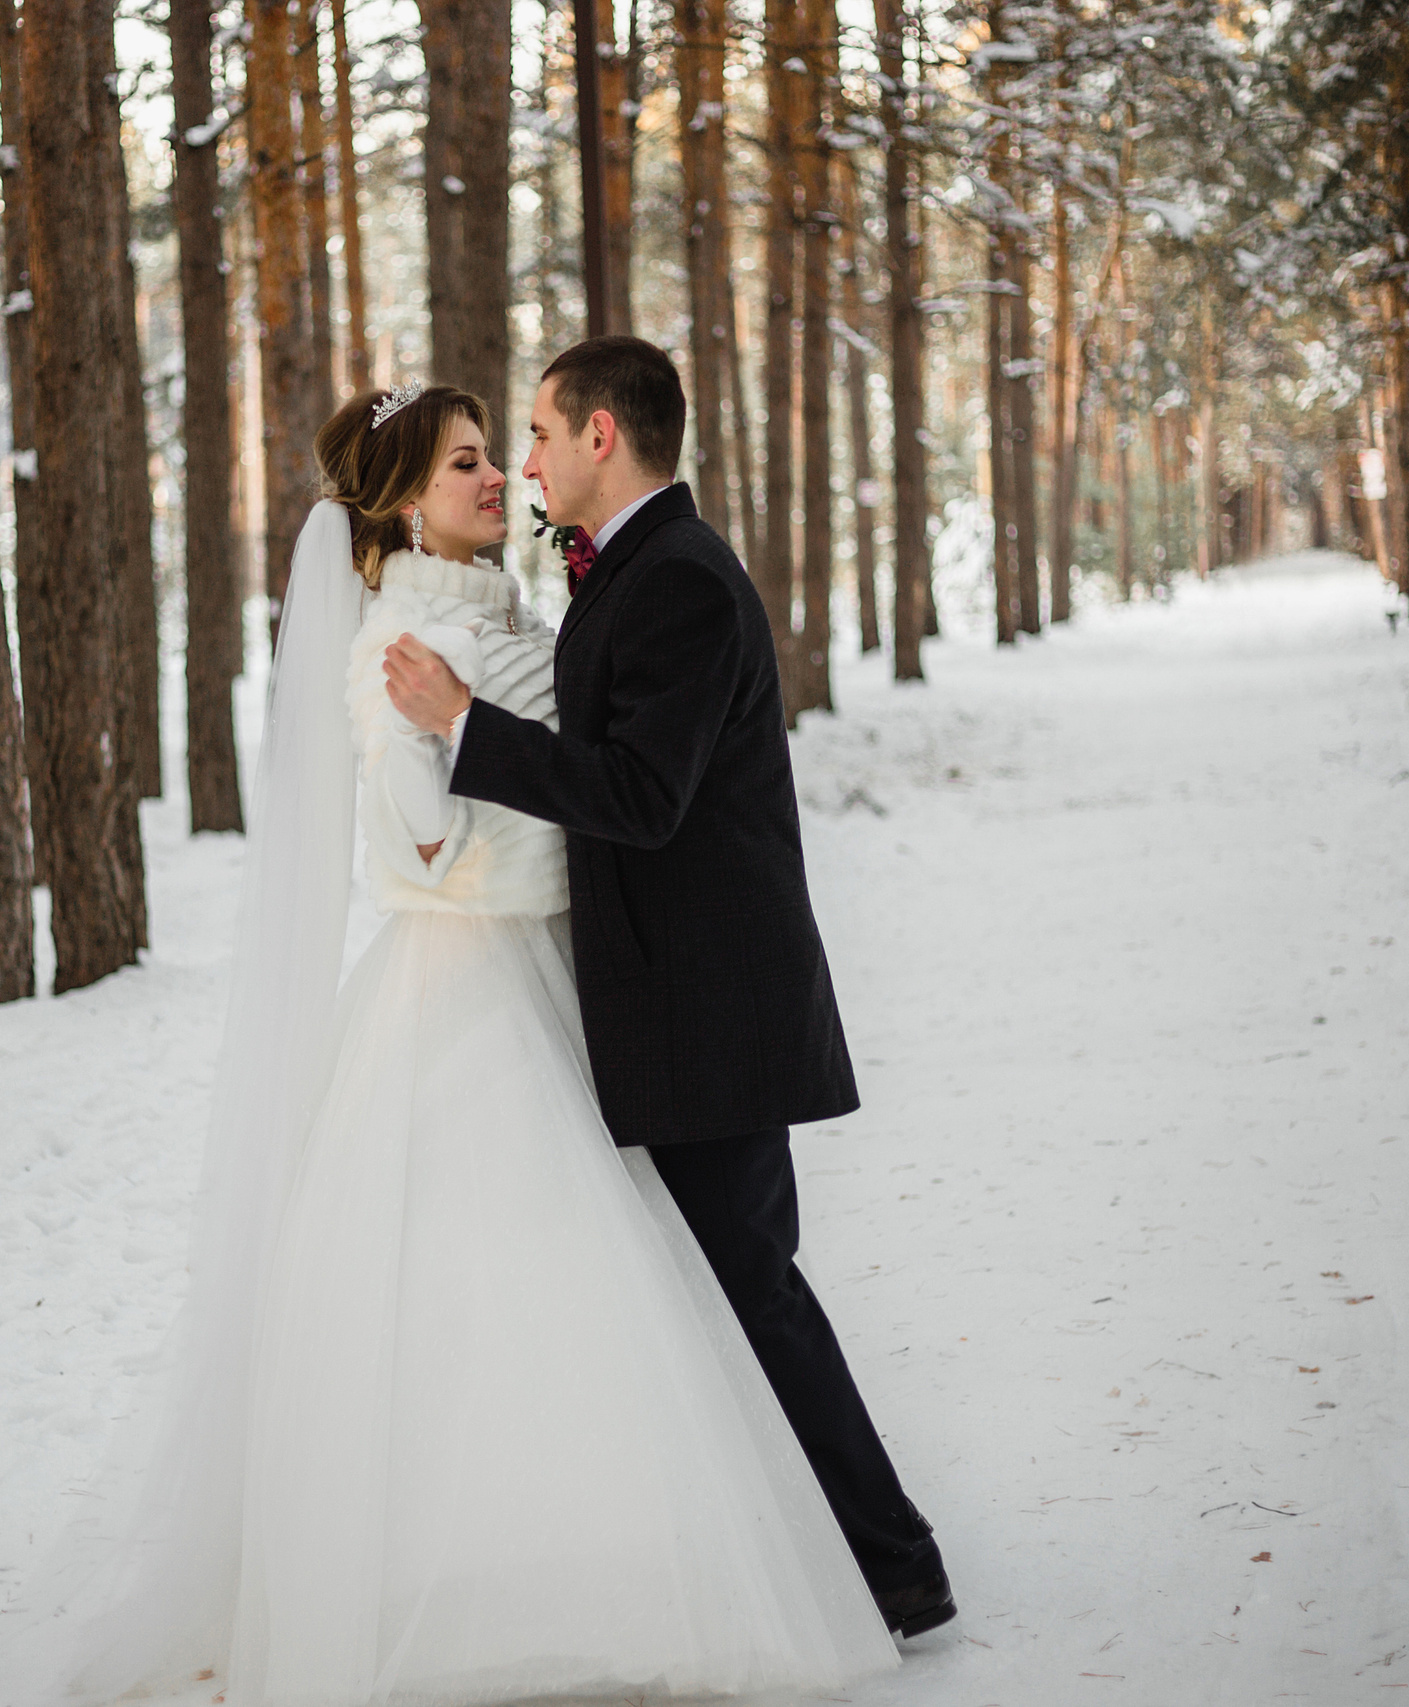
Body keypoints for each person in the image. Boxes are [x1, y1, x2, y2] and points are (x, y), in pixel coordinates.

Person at [0, 380, 899, 1707]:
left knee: (633, 1302)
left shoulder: (516, 615)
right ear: (401, 499)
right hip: (469, 993)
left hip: (576, 991)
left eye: (506, 451)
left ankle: (653, 1559)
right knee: (497, 1304)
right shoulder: (397, 645)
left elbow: (607, 774)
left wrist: (485, 741)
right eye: (469, 459)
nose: (501, 475)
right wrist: (442, 757)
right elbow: (420, 841)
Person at [382, 334, 955, 1642]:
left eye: (536, 432)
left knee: (751, 1293)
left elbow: (642, 795)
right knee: (719, 1303)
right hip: (677, 1012)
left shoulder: (680, 581)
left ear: (602, 438)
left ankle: (894, 1567)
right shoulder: (630, 576)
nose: (523, 460)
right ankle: (814, 1563)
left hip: (715, 1017)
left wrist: (468, 728)